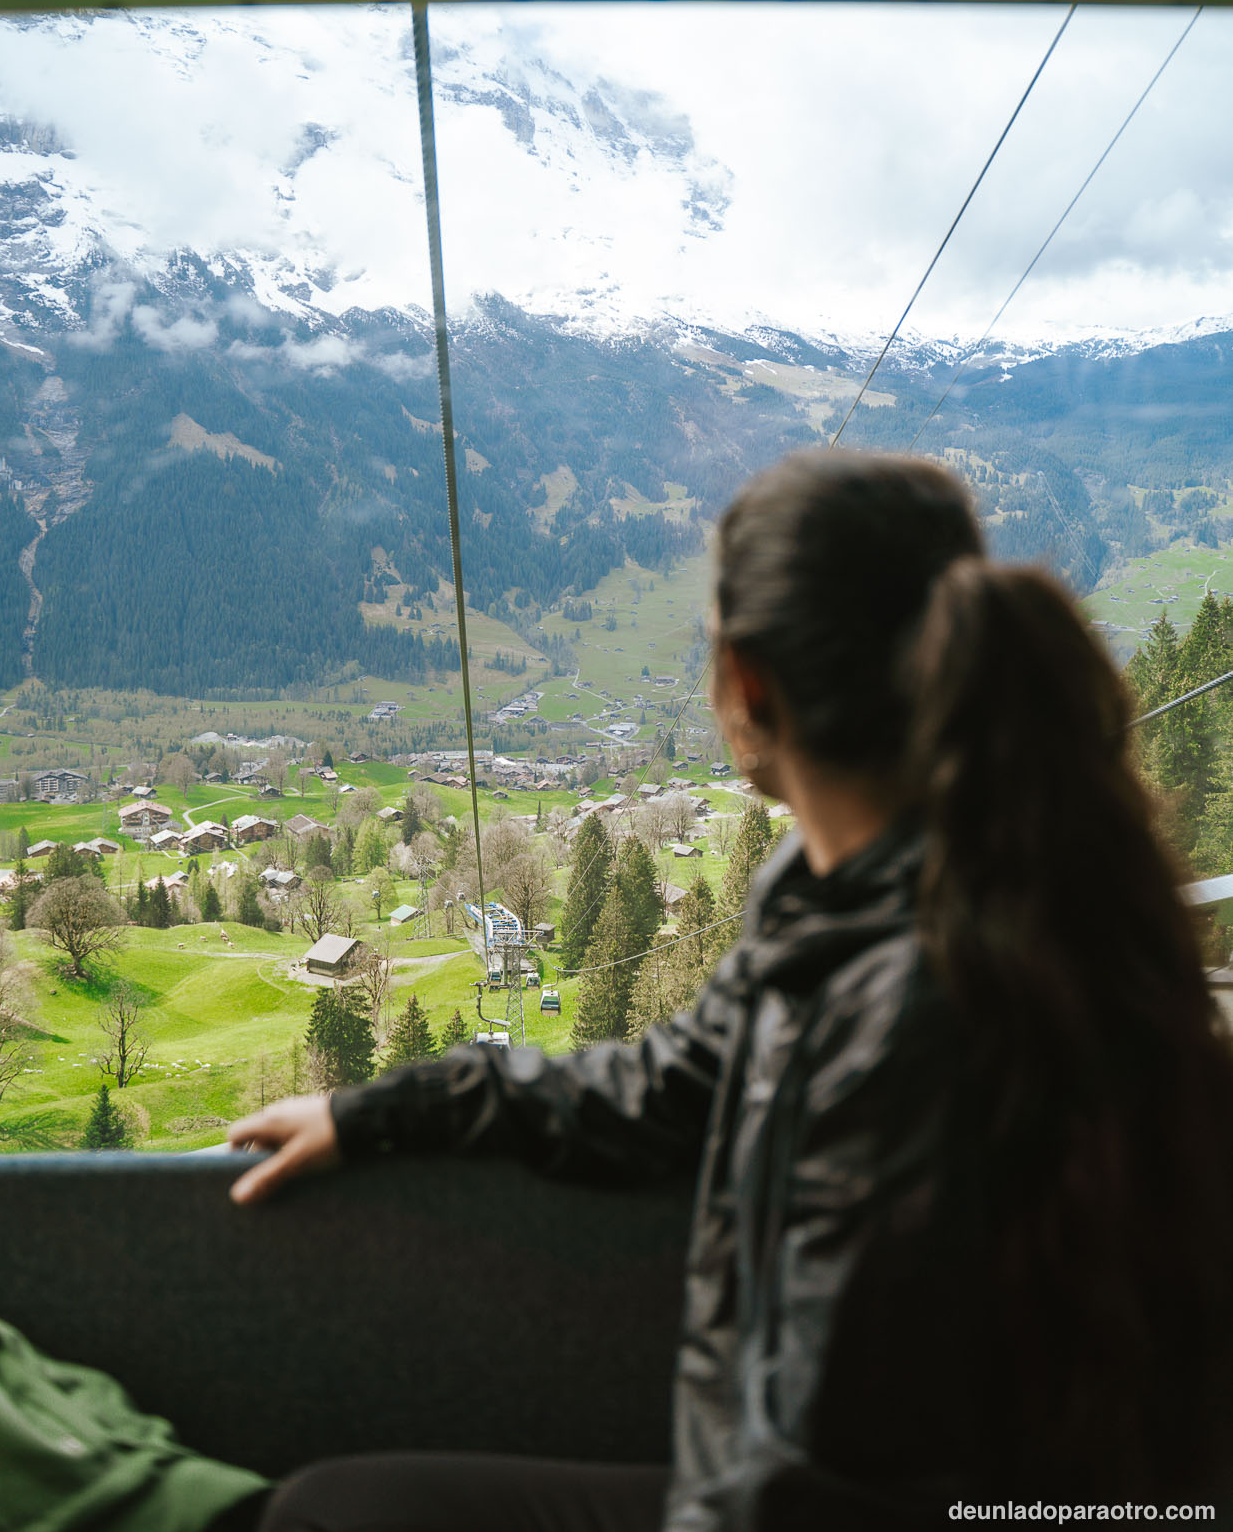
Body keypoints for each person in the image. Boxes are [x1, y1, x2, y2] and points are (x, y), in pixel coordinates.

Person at [228, 453, 1233, 1528]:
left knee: (329, 1516)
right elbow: (682, 1077)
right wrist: (385, 1109)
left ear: (747, 689)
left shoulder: (918, 1015)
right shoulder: (898, 901)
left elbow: (838, 1483)